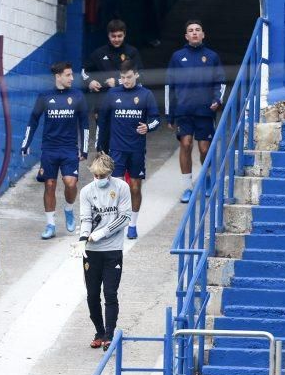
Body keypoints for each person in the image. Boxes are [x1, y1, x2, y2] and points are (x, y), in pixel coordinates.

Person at [21, 61, 89, 239]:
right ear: (58, 76)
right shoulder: (45, 96)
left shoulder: (78, 96)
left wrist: (84, 149)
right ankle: (50, 224)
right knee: (49, 185)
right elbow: (33, 120)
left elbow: (85, 124)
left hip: (69, 149)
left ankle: (68, 208)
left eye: (72, 75)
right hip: (49, 149)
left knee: (70, 183)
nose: (71, 78)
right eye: (68, 75)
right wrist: (25, 143)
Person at [70, 154, 131, 351]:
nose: (99, 179)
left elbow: (124, 217)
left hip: (112, 248)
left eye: (102, 175)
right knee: (92, 295)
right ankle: (99, 331)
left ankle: (109, 334)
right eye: (96, 175)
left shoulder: (122, 187)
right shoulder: (87, 191)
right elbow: (86, 218)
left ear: (110, 173)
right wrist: (83, 240)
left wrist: (102, 233)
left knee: (110, 293)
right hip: (93, 251)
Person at [96, 60, 160, 239]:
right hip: (116, 150)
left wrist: (148, 127)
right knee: (115, 189)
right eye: (123, 77)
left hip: (136, 150)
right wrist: (100, 146)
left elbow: (156, 119)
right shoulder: (112, 93)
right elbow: (102, 121)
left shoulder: (146, 95)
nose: (126, 81)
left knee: (135, 187)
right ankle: (115, 224)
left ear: (136, 75)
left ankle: (132, 224)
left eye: (129, 77)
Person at [165, 19, 227, 203]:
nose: (194, 33)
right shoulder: (177, 57)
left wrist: (218, 100)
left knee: (204, 148)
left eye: (197, 30)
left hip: (205, 111)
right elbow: (170, 86)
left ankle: (207, 178)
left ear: (203, 34)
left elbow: (221, 81)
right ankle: (187, 187)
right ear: (186, 36)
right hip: (184, 111)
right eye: (190, 30)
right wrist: (170, 114)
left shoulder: (212, 56)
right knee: (185, 144)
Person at [82, 19, 144, 114]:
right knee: (102, 128)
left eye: (119, 36)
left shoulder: (132, 52)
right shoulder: (99, 53)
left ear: (125, 34)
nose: (116, 39)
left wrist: (117, 82)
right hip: (103, 102)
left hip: (128, 101)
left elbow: (140, 75)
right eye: (113, 36)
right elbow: (84, 71)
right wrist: (90, 82)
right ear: (108, 35)